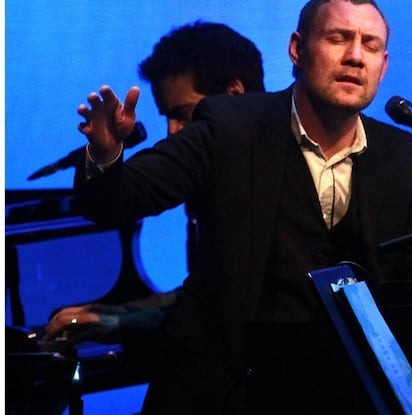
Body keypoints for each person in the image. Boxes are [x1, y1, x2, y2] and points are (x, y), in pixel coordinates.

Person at [69, 0, 412, 414]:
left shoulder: (407, 158)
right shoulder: (230, 126)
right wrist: (104, 157)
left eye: (371, 45)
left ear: (383, 66)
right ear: (297, 48)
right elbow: (120, 199)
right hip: (229, 391)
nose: (355, 56)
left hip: (348, 395)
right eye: (338, 38)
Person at [44, 21, 265, 349]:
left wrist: (121, 321)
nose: (173, 131)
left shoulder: (272, 169)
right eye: (167, 117)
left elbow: (231, 306)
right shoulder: (203, 163)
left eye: (184, 114)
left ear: (234, 93)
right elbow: (207, 285)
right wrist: (104, 154)